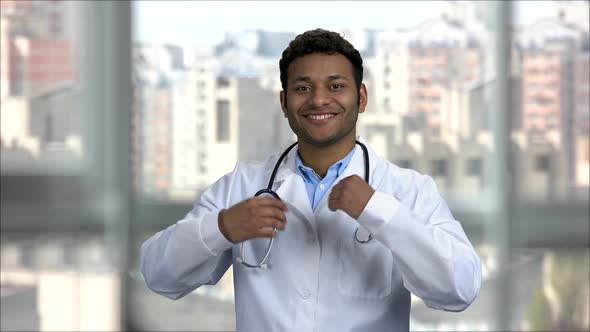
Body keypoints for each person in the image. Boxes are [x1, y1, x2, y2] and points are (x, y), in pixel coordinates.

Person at [141, 28, 481, 332]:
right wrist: (221, 228)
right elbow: (159, 275)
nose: (319, 99)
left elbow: (459, 290)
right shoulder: (242, 185)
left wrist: (380, 211)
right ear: (284, 102)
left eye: (336, 86)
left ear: (361, 98)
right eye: (303, 88)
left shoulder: (407, 190)